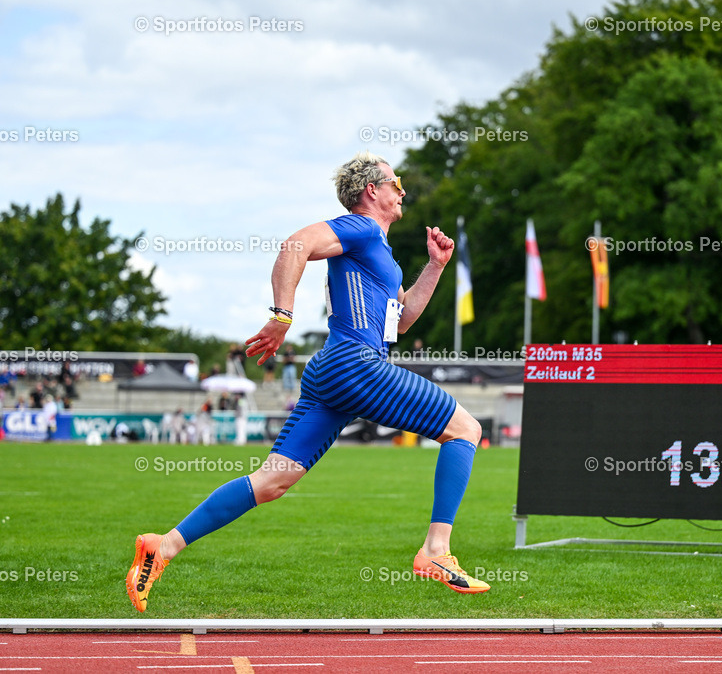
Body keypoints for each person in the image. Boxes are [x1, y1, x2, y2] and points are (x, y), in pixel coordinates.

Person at [126, 152, 488, 614]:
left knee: (272, 481)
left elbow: (402, 320)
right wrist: (281, 316)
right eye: (395, 182)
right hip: (356, 365)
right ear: (371, 191)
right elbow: (295, 245)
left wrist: (435, 266)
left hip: (333, 371)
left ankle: (163, 546)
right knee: (466, 430)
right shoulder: (360, 229)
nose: (403, 190)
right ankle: (436, 551)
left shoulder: (380, 253)